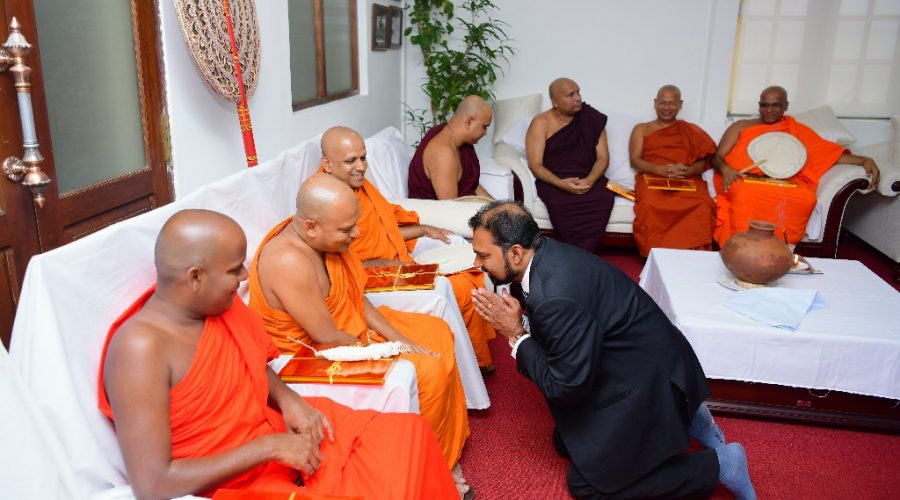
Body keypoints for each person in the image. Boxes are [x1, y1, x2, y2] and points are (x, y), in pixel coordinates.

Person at [98, 209, 457, 499]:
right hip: (231, 480)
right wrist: (270, 448)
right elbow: (153, 484)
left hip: (274, 431)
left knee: (408, 436)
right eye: (233, 270)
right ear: (195, 278)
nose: (244, 277)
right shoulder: (140, 350)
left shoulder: (217, 307)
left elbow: (254, 363)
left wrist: (289, 400)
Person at [467, 201, 756, 500]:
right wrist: (524, 324)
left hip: (649, 379)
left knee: (588, 486)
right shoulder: (545, 254)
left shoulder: (557, 295)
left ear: (515, 252)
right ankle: (689, 417)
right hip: (633, 357)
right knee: (567, 442)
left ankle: (719, 464)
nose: (477, 263)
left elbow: (565, 388)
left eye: (483, 254)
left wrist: (516, 334)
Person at [247, 174, 473, 496]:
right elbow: (326, 336)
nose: (356, 234)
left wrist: (399, 338)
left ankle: (441, 451)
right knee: (424, 368)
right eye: (346, 230)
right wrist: (391, 350)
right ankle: (434, 467)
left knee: (435, 330)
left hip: (346, 330)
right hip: (311, 353)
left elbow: (354, 296)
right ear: (310, 227)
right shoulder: (288, 261)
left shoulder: (323, 236)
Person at [319, 126, 497, 373]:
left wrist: (423, 230)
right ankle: (464, 366)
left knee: (469, 276)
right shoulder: (326, 201)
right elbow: (344, 267)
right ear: (327, 164)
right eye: (351, 161)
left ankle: (475, 360)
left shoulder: (358, 187)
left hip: (394, 259)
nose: (361, 167)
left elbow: (384, 231)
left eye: (363, 158)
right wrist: (397, 266)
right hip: (370, 277)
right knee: (456, 284)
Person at [713, 85, 880, 246]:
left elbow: (827, 154)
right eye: (764, 105)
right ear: (759, 106)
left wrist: (863, 160)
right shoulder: (742, 126)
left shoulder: (796, 130)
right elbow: (716, 157)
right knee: (746, 194)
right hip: (742, 178)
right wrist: (726, 169)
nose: (769, 110)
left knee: (806, 199)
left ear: (786, 106)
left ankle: (779, 247)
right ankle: (741, 245)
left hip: (784, 181)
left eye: (775, 105)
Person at [525, 77, 615, 252]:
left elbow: (603, 158)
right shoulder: (541, 122)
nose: (578, 98)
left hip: (589, 178)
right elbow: (535, 164)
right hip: (555, 181)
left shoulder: (592, 118)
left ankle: (585, 253)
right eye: (570, 95)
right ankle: (576, 254)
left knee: (604, 197)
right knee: (559, 202)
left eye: (578, 92)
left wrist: (589, 180)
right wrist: (561, 183)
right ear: (555, 102)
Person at [629, 84, 718, 257]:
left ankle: (692, 255)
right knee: (649, 203)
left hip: (685, 178)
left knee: (702, 204)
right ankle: (656, 256)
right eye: (663, 103)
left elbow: (704, 161)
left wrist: (687, 171)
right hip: (652, 177)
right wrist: (660, 170)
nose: (666, 107)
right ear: (655, 103)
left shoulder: (691, 131)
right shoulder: (642, 129)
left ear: (680, 105)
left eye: (671, 103)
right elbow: (635, 160)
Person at [408, 95, 494, 200]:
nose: (485, 132)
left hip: (462, 206)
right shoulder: (443, 153)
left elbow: (472, 185)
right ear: (468, 122)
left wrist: (497, 205)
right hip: (437, 210)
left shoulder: (461, 143)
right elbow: (450, 208)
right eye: (484, 126)